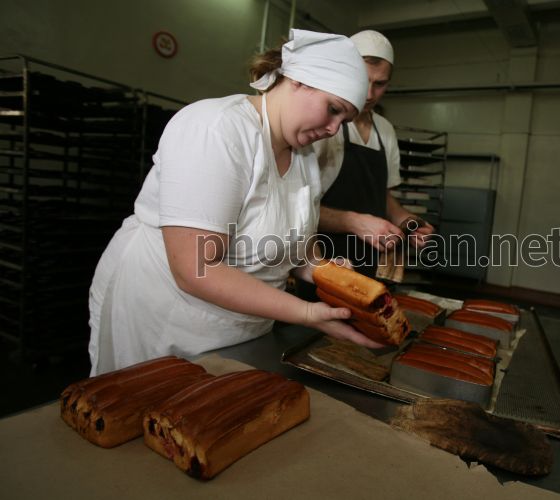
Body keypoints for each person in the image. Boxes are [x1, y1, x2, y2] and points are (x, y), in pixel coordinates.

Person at [88, 29, 382, 376]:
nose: (334, 129)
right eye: (333, 110)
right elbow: (196, 268)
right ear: (299, 80)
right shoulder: (217, 129)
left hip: (243, 329)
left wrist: (326, 272)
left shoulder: (303, 157)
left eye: (343, 120)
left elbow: (298, 246)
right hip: (168, 319)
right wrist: (305, 313)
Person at [313, 30, 434, 278]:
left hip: (370, 260)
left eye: (379, 84)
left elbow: (383, 196)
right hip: (320, 258)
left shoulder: (385, 129)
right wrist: (353, 222)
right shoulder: (323, 122)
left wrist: (407, 222)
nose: (369, 94)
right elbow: (295, 206)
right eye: (362, 79)